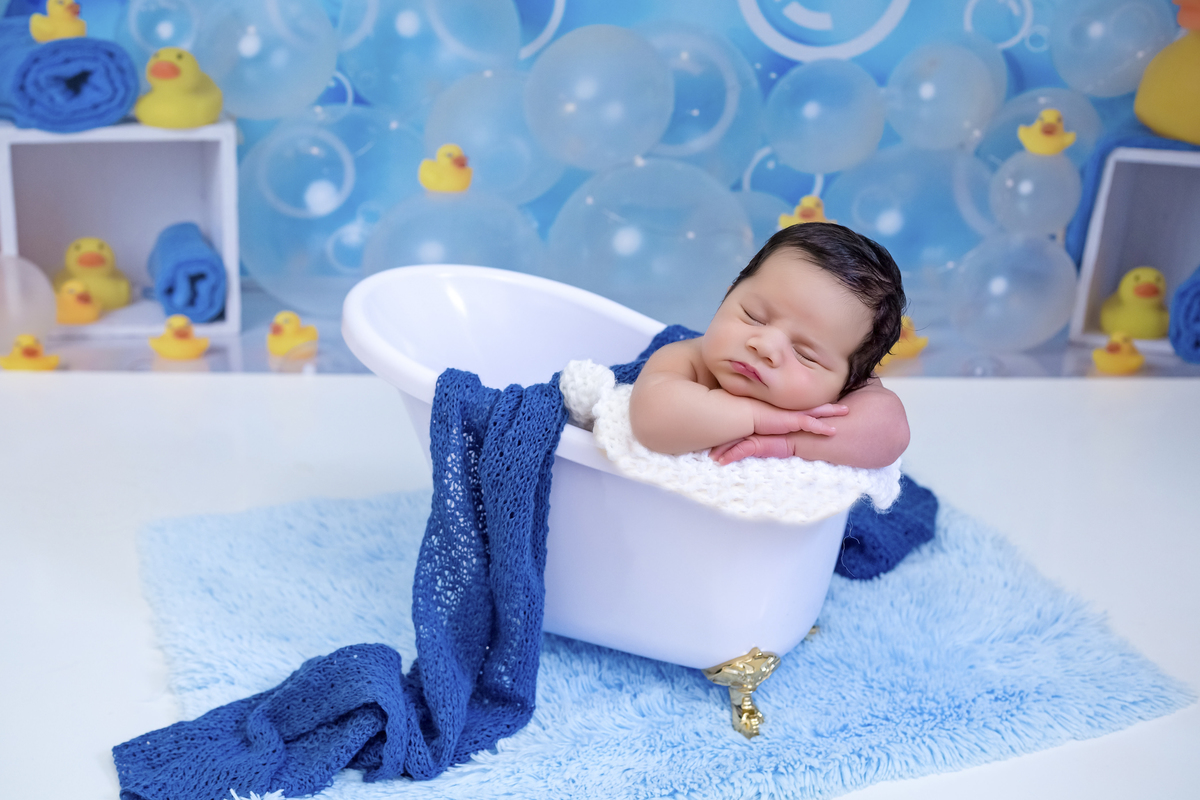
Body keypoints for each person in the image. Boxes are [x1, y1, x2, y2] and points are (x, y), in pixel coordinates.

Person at [629, 222, 909, 469]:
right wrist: (760, 419)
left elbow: (891, 434)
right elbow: (651, 421)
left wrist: (790, 442)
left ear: (851, 381)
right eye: (753, 317)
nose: (765, 346)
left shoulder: (846, 390)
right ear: (727, 297)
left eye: (804, 354)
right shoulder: (689, 358)